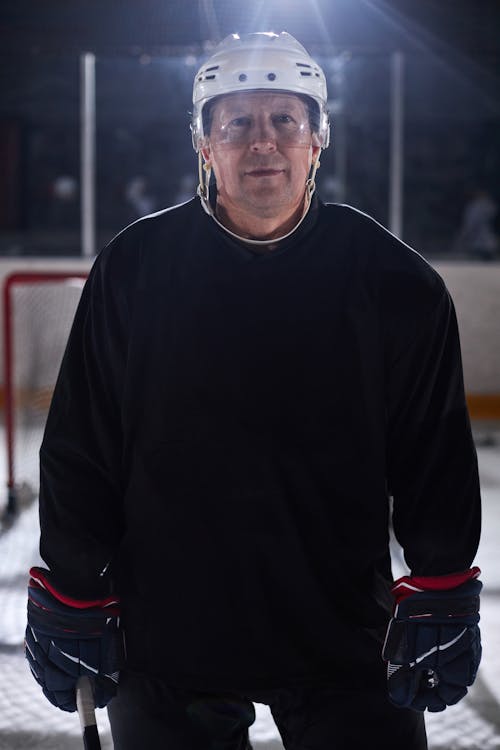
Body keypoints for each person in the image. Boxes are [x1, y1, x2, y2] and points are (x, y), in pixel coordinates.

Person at [26, 32, 482, 750]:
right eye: (236, 122)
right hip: (170, 631)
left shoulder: (395, 283)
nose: (261, 141)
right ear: (204, 143)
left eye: (284, 121)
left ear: (318, 140)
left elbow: (434, 454)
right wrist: (74, 585)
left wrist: (444, 581)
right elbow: (85, 441)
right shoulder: (134, 270)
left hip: (341, 628)